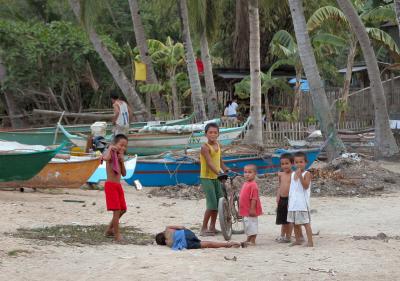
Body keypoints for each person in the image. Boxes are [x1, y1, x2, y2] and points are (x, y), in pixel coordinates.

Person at [199, 123, 229, 236]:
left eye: (215, 132)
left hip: (216, 177)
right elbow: (209, 162)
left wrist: (225, 168)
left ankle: (212, 227)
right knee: (211, 204)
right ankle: (203, 228)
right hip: (207, 178)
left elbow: (219, 160)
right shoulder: (205, 147)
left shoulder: (218, 144)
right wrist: (219, 173)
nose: (213, 134)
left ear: (218, 134)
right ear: (206, 134)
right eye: (210, 132)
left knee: (219, 202)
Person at [103, 134, 128, 242]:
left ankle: (109, 229)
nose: (122, 148)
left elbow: (124, 173)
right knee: (117, 211)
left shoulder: (119, 157)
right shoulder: (111, 154)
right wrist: (110, 148)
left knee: (123, 209)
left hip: (118, 186)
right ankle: (117, 235)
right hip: (111, 185)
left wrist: (122, 161)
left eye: (125, 146)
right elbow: (106, 158)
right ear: (114, 144)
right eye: (120, 145)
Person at [287, 151, 313, 247]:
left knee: (306, 223)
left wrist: (300, 176)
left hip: (302, 204)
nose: (299, 164)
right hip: (293, 203)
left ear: (306, 163)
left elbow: (305, 186)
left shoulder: (307, 174)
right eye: (296, 162)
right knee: (295, 223)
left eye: (301, 162)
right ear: (294, 163)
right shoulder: (293, 174)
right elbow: (293, 188)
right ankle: (298, 239)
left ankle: (310, 242)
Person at [155, 226, 242, 250]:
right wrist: (187, 231)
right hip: (187, 234)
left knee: (208, 244)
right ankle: (230, 243)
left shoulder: (168, 244)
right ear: (162, 233)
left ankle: (228, 245)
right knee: (203, 241)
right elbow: (182, 227)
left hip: (187, 244)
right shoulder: (167, 229)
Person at [239, 164, 263, 246]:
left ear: (255, 173)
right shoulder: (246, 183)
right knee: (247, 225)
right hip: (246, 209)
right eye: (245, 172)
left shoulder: (253, 185)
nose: (247, 174)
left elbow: (254, 198)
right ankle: (248, 239)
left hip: (250, 210)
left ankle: (253, 240)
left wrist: (252, 209)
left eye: (250, 172)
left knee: (252, 225)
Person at [275, 153, 294, 243]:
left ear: (292, 164)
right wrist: (278, 196)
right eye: (282, 164)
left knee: (289, 219)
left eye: (287, 163)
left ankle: (288, 237)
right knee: (283, 219)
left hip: (290, 200)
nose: (284, 165)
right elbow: (280, 186)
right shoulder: (281, 175)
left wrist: (292, 200)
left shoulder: (293, 175)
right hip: (282, 199)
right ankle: (282, 235)